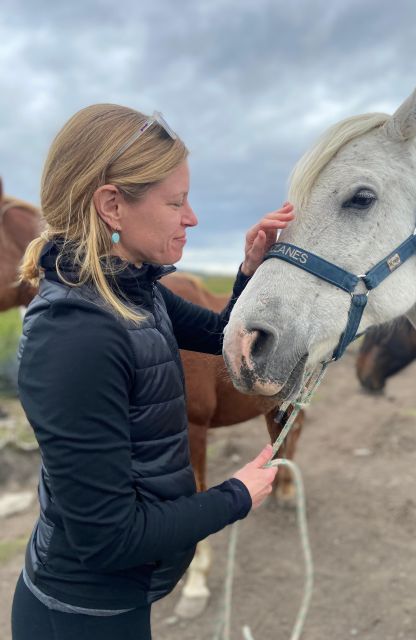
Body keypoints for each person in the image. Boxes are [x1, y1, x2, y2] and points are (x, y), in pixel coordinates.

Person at [10, 105, 294, 640]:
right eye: (177, 201)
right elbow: (109, 539)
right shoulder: (74, 336)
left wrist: (248, 271)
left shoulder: (134, 291)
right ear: (112, 205)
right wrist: (236, 494)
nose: (192, 219)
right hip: (79, 617)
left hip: (120, 601)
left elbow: (218, 335)